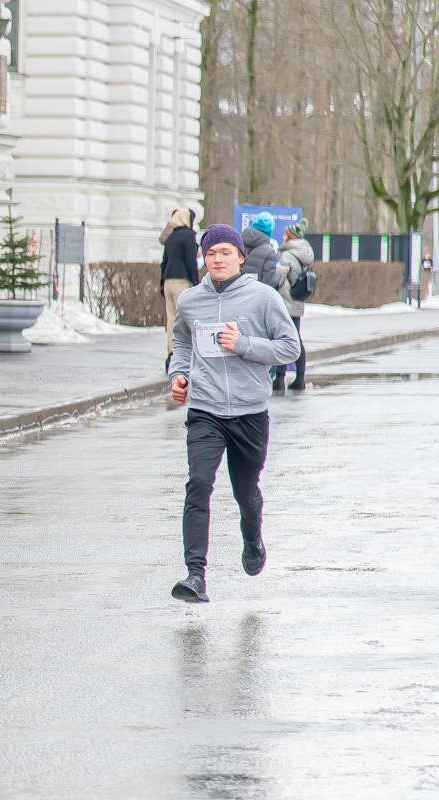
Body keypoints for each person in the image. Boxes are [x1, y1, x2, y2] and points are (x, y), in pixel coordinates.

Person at [168, 224, 300, 603]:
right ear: (203, 259)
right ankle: (195, 575)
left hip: (249, 412)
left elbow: (289, 347)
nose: (217, 260)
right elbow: (181, 341)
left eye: (225, 252)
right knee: (198, 483)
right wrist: (179, 375)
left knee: (246, 494)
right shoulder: (191, 300)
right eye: (210, 254)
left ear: (240, 257)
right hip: (205, 410)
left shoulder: (262, 298)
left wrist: (243, 344)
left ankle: (252, 537)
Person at [273, 219, 313, 391]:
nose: (282, 237)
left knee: (285, 339)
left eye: (285, 234)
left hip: (286, 301)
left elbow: (280, 279)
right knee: (296, 338)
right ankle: (300, 377)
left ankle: (280, 378)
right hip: (297, 301)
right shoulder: (304, 253)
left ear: (290, 237)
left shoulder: (287, 255)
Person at [160, 208, 199, 372]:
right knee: (185, 320)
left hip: (168, 281)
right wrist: (196, 283)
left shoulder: (170, 236)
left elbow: (164, 261)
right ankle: (184, 357)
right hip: (182, 281)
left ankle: (171, 354)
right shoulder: (188, 235)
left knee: (171, 321)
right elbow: (191, 262)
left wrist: (161, 284)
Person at [241, 213, 279, 287]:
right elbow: (270, 283)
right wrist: (279, 273)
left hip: (236, 293)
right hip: (255, 295)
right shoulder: (269, 252)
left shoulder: (238, 243)